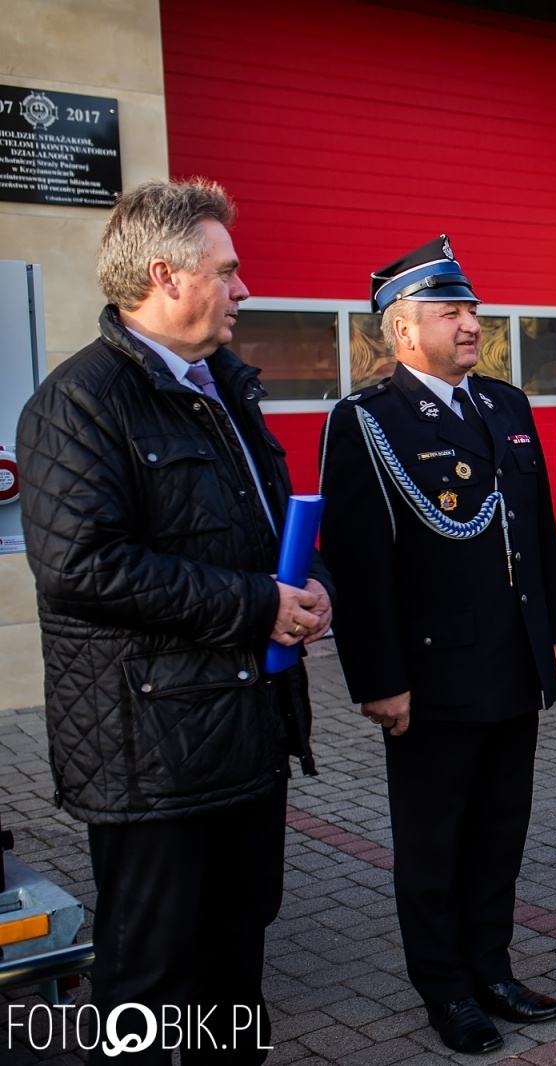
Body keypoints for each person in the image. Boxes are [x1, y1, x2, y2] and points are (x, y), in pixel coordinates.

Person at [17, 179, 331, 1065]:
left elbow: (270, 525)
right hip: (147, 754)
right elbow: (82, 566)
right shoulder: (77, 403)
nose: (244, 289)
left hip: (241, 734)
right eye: (227, 271)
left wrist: (312, 586)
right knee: (150, 983)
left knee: (236, 955)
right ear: (166, 275)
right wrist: (259, 605)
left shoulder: (227, 387)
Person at [318, 236, 556, 1055]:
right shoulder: (368, 420)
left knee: (501, 829)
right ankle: (447, 989)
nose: (473, 324)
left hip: (512, 661)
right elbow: (358, 562)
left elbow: (535, 528)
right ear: (401, 331)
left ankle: (492, 968)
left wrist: (554, 632)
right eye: (452, 312)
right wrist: (379, 679)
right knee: (434, 843)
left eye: (472, 310)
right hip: (430, 675)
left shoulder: (504, 404)